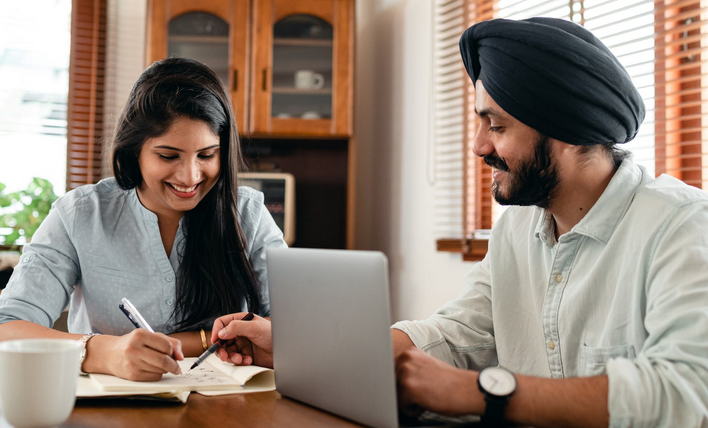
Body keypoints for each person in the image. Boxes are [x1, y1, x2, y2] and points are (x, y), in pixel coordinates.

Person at [210, 18, 708, 428]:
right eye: (479, 121)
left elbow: (683, 394)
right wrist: (300, 349)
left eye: (497, 125)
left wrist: (481, 393)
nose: (478, 146)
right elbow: (456, 334)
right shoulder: (518, 230)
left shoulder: (681, 226)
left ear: (567, 132)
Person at [0, 58, 287, 381]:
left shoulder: (248, 214)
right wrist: (103, 352)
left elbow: (301, 331)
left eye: (207, 155)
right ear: (134, 150)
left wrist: (277, 343)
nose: (191, 176)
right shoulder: (81, 214)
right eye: (168, 156)